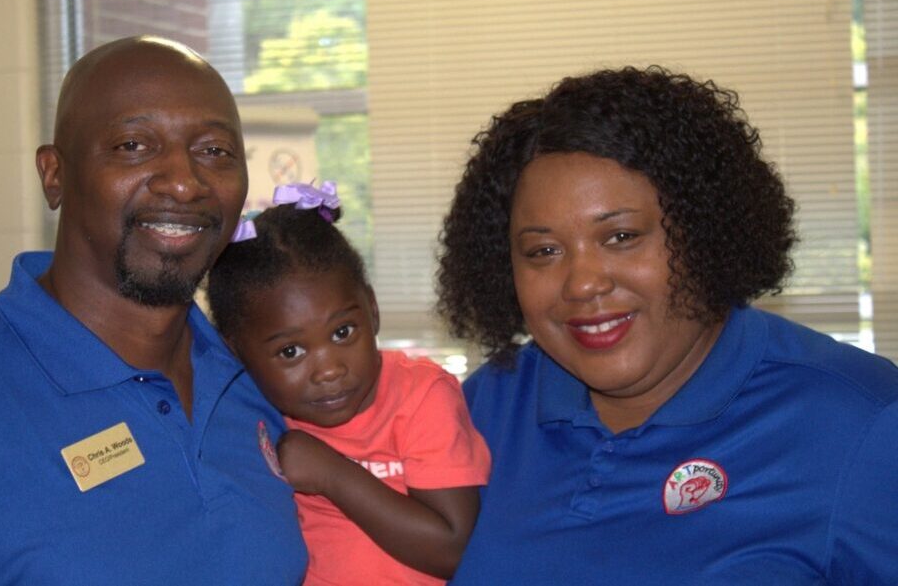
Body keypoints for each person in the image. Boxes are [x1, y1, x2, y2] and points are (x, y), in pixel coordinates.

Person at [436, 66, 898, 584]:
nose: (582, 283)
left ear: (706, 232)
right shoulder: (486, 409)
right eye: (543, 251)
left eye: (621, 236)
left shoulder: (863, 423)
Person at [0, 36, 306, 584]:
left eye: (214, 151)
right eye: (134, 145)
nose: (185, 181)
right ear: (54, 174)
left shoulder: (262, 381)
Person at [206, 182, 491, 585]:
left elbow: (452, 548)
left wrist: (332, 476)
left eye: (342, 332)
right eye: (291, 352)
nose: (329, 369)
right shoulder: (258, 417)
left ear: (372, 311)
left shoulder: (421, 395)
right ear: (237, 354)